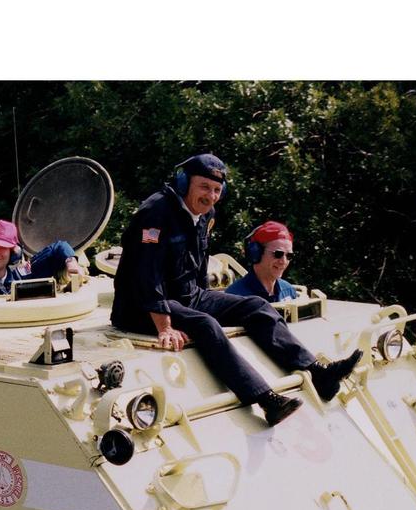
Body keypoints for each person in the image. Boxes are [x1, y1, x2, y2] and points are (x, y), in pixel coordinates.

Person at [110, 154, 360, 427]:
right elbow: (147, 273)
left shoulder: (205, 215)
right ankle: (266, 400)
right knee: (205, 324)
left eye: (217, 190)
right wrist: (165, 327)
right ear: (183, 183)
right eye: (204, 187)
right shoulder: (155, 213)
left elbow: (199, 262)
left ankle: (317, 372)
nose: (211, 196)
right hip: (140, 307)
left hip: (188, 296)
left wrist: (209, 298)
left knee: (256, 306)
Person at [225, 220, 299, 303]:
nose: (283, 261)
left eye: (289, 256)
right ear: (256, 253)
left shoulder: (288, 291)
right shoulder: (235, 297)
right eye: (278, 254)